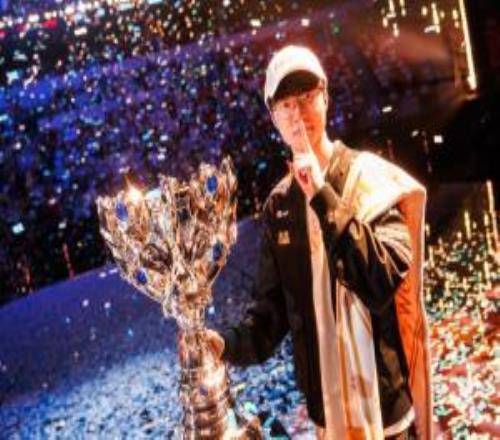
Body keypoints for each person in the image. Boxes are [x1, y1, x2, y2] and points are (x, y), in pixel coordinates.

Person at [205, 45, 432, 439]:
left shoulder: (372, 179)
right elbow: (271, 315)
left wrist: (322, 195)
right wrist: (224, 344)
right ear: (273, 117)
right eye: (286, 104)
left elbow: (379, 279)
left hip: (389, 417)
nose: (298, 113)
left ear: (325, 97)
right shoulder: (278, 205)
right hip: (328, 420)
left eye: (307, 97)